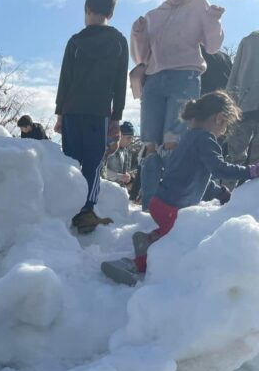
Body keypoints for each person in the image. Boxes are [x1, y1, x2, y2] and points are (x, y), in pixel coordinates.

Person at [101, 91, 259, 286]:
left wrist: (218, 192)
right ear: (220, 118)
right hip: (171, 208)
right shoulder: (206, 140)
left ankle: (149, 239)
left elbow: (196, 176)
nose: (224, 131)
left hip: (162, 203)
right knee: (177, 242)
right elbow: (220, 169)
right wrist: (251, 172)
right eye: (226, 126)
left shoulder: (188, 138)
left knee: (172, 233)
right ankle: (132, 265)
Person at [131, 0, 225, 209]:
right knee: (150, 144)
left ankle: (172, 206)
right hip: (153, 80)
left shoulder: (199, 5)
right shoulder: (153, 14)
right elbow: (141, 58)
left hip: (185, 76)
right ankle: (149, 208)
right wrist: (138, 34)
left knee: (173, 142)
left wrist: (213, 19)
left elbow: (212, 46)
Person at [54, 0, 128, 233]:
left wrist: (60, 114)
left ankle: (66, 207)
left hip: (73, 110)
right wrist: (116, 117)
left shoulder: (75, 41)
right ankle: (86, 210)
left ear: (86, 9)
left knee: (71, 160)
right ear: (111, 13)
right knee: (93, 162)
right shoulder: (118, 41)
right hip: (99, 112)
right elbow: (119, 83)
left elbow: (65, 79)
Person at [227, 31, 259, 166]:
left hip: (244, 104)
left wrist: (229, 99)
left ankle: (227, 187)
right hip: (243, 106)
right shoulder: (248, 41)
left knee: (235, 159)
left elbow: (235, 72)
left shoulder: (248, 41)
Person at [103, 121, 139, 188]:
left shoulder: (126, 151)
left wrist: (128, 176)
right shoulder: (109, 149)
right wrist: (118, 176)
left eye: (131, 138)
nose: (130, 140)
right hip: (106, 189)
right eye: (128, 137)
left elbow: (125, 172)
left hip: (119, 189)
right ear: (121, 135)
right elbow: (101, 170)